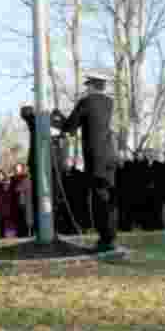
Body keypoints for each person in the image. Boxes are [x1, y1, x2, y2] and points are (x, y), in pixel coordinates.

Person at [53, 72, 118, 252]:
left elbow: (71, 126)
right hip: (109, 157)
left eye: (87, 85)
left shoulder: (87, 102)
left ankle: (105, 239)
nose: (85, 88)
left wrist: (57, 118)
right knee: (108, 197)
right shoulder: (109, 102)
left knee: (99, 198)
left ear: (91, 86)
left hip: (96, 158)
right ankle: (110, 236)